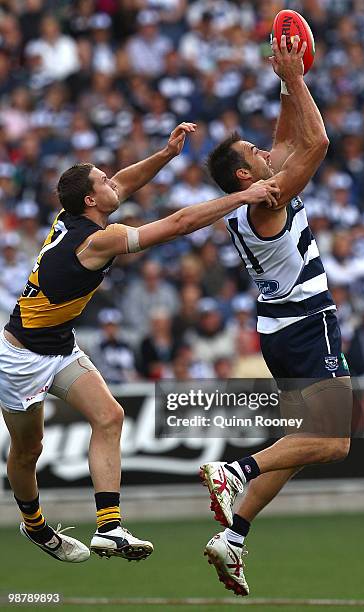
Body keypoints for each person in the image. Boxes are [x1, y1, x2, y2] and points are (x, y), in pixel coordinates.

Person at [0, 122, 279, 564]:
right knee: (28, 449)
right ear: (92, 200)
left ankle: (109, 527)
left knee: (110, 416)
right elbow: (179, 223)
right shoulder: (99, 240)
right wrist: (241, 197)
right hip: (18, 357)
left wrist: (166, 154)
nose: (115, 181)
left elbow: (126, 181)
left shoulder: (75, 216)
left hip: (58, 346)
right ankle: (34, 526)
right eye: (104, 180)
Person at [200, 36, 353, 596]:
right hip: (306, 325)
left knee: (303, 440)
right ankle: (233, 471)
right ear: (246, 177)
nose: (266, 154)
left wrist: (287, 78)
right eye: (255, 156)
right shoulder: (269, 199)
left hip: (279, 328)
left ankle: (234, 536)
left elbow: (288, 139)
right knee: (334, 442)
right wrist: (296, 81)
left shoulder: (252, 198)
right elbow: (316, 142)